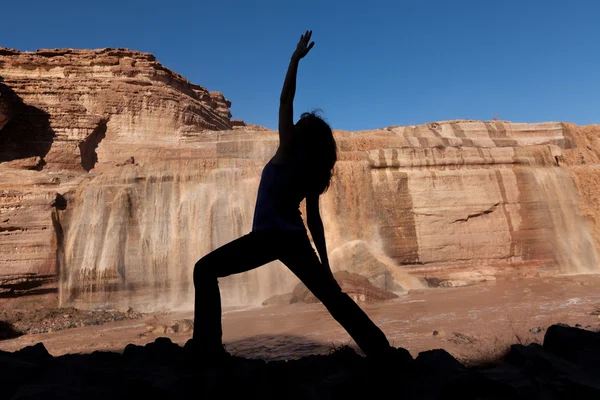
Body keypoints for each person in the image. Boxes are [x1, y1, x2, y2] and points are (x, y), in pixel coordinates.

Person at [192, 30, 392, 360]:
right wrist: (326, 265)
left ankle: (207, 347)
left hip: (269, 237)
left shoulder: (287, 151)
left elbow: (285, 99)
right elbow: (314, 220)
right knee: (333, 298)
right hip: (294, 239)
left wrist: (294, 59)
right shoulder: (310, 170)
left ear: (300, 137)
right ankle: (381, 350)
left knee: (204, 271)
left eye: (298, 126)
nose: (292, 126)